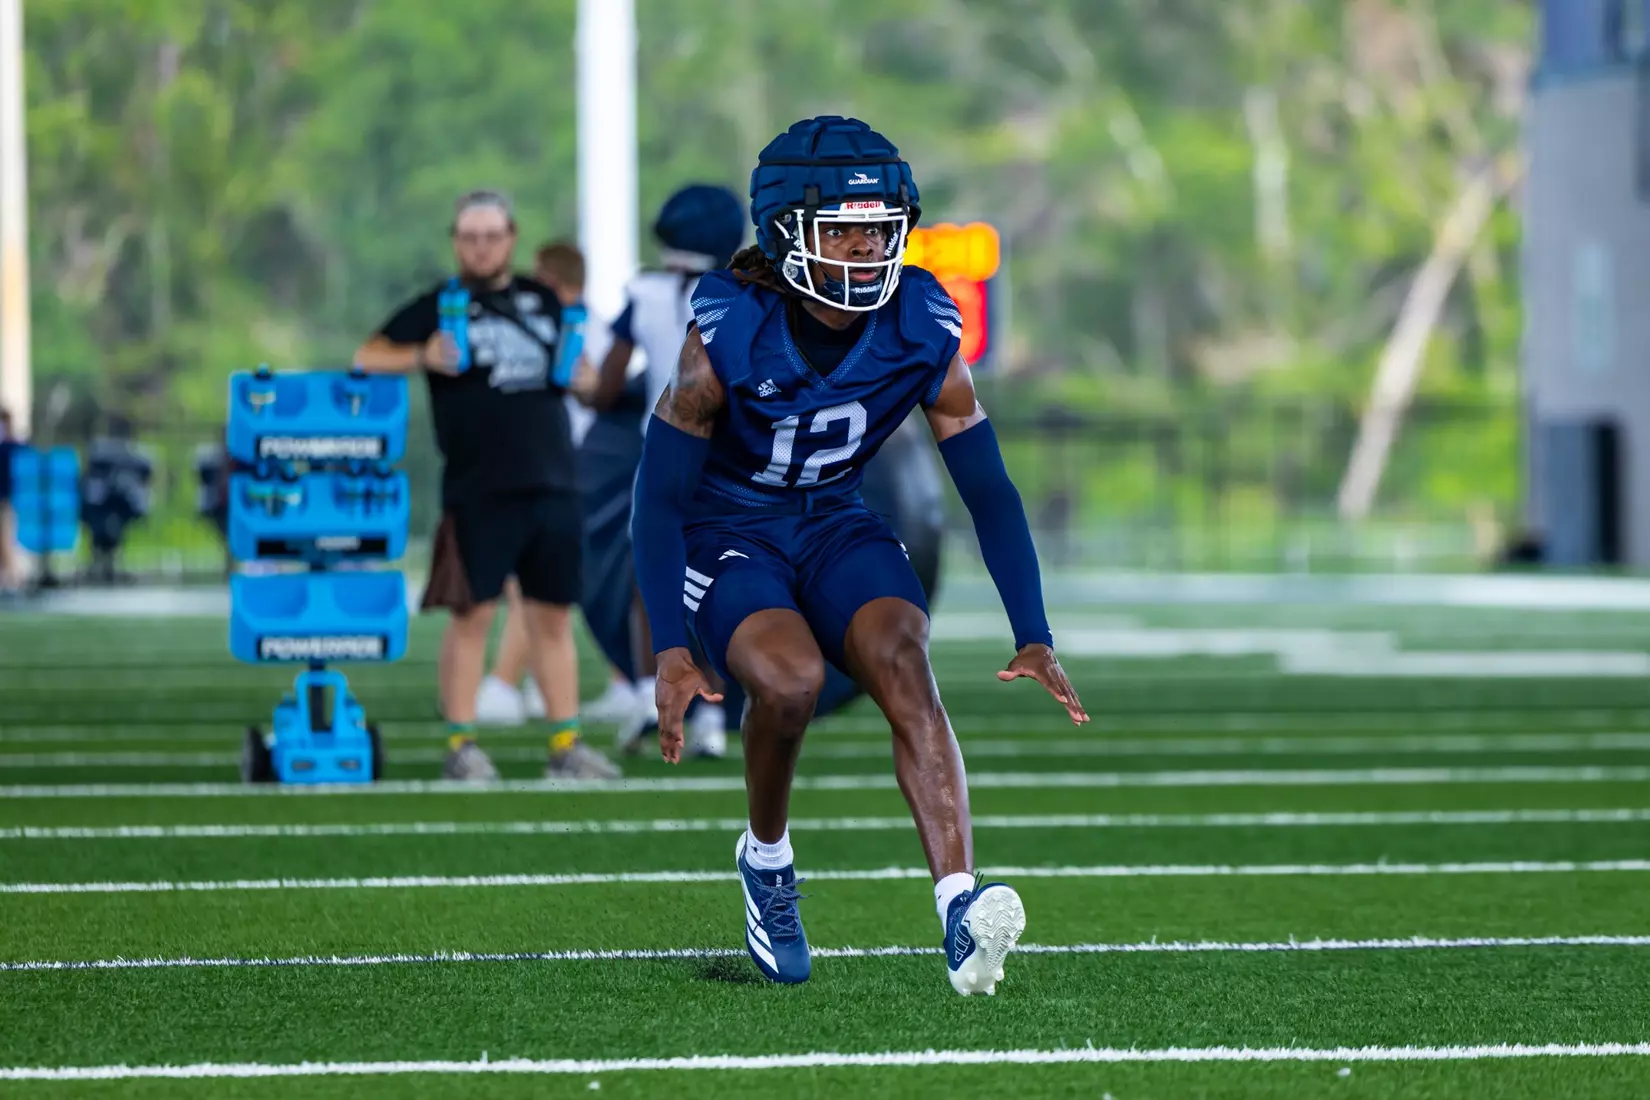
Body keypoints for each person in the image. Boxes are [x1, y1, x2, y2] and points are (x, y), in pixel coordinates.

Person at [630, 116, 1088, 994]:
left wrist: (1032, 630)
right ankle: (767, 862)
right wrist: (671, 647)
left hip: (836, 518)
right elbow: (657, 496)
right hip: (731, 529)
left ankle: (960, 905)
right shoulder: (724, 337)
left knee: (903, 655)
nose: (866, 249)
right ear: (786, 233)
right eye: (841, 228)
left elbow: (987, 488)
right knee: (792, 681)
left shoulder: (919, 321)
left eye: (880, 229)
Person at [352, 189, 619, 781]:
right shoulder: (438, 305)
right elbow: (367, 355)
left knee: (552, 620)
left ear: (511, 238)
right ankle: (460, 745)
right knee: (471, 617)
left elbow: (588, 377)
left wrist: (585, 380)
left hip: (554, 481)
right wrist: (421, 354)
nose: (479, 247)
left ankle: (565, 744)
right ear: (456, 241)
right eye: (469, 237)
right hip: (478, 487)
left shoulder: (545, 300)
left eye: (490, 236)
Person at [579, 184, 749, 759]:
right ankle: (713, 721)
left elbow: (605, 387)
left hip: (663, 451)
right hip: (731, 458)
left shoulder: (646, 292)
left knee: (647, 586)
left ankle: (650, 705)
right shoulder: (744, 291)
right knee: (719, 587)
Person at [473, 241, 600, 727]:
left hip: (574, 466)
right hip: (546, 466)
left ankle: (504, 684)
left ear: (556, 283)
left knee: (539, 589)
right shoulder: (555, 325)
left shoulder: (581, 326)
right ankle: (535, 685)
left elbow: (591, 389)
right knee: (536, 588)